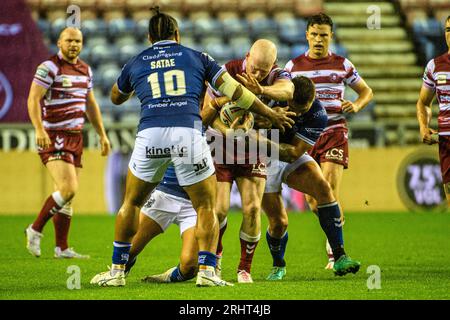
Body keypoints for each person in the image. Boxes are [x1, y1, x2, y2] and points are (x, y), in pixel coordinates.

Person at [90, 7, 295, 287]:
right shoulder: (198, 57)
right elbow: (237, 92)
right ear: (177, 34)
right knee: (207, 206)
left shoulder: (136, 61)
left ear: (150, 37)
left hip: (150, 134)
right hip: (188, 133)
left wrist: (129, 87)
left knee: (130, 203)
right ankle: (208, 272)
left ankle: (115, 272)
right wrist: (270, 114)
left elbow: (115, 97)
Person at [285, 13, 373, 269]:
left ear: (331, 36)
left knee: (329, 189)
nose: (318, 40)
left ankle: (336, 253)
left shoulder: (342, 64)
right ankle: (335, 229)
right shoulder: (292, 67)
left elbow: (367, 91)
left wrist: (356, 105)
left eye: (323, 35)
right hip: (306, 136)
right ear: (307, 36)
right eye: (314, 34)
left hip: (335, 131)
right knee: (315, 199)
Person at [203, 39, 294, 283]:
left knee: (253, 209)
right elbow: (207, 114)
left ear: (272, 65)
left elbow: (289, 91)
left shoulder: (277, 75)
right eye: (254, 67)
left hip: (254, 146)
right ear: (247, 57)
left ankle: (244, 268)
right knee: (219, 209)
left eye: (263, 70)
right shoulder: (227, 72)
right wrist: (230, 132)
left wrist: (261, 90)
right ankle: (217, 258)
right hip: (220, 143)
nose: (257, 73)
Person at [255, 76, 361, 279]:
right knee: (279, 223)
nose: (299, 113)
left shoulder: (319, 115)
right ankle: (279, 264)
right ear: (288, 97)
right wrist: (264, 119)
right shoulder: (274, 96)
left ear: (313, 99)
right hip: (261, 160)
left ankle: (339, 256)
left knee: (323, 188)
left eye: (304, 109)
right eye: (296, 108)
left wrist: (259, 139)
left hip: (282, 152)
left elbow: (294, 152)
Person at [25, 27, 111, 259]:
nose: (74, 44)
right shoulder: (49, 67)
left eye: (78, 41)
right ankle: (34, 229)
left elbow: (90, 105)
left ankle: (61, 248)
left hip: (75, 136)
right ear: (59, 42)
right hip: (54, 135)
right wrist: (39, 129)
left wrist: (102, 135)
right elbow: (33, 99)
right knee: (68, 188)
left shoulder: (85, 70)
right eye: (69, 40)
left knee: (66, 193)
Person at [416, 15, 450, 207]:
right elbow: (423, 103)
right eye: (448, 30)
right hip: (446, 141)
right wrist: (424, 126)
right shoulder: (435, 66)